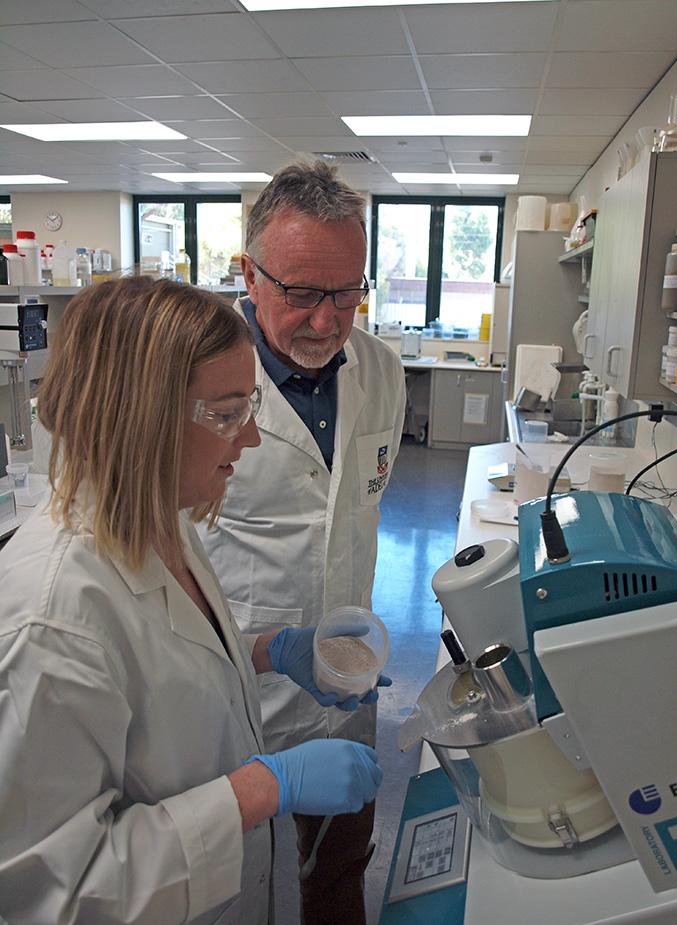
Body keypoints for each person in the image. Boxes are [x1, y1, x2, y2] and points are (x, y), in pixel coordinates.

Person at [0, 276, 384, 925]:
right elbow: (48, 894)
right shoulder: (51, 618)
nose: (251, 437)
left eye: (250, 405)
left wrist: (267, 652)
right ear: (139, 419)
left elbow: (160, 670)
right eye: (227, 412)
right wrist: (260, 789)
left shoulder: (161, 517)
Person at [200, 161, 406, 924]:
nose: (327, 320)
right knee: (237, 886)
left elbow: (356, 513)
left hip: (344, 687)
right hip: (233, 702)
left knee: (339, 870)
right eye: (301, 293)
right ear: (249, 275)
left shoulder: (381, 371)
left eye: (347, 293)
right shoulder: (192, 380)